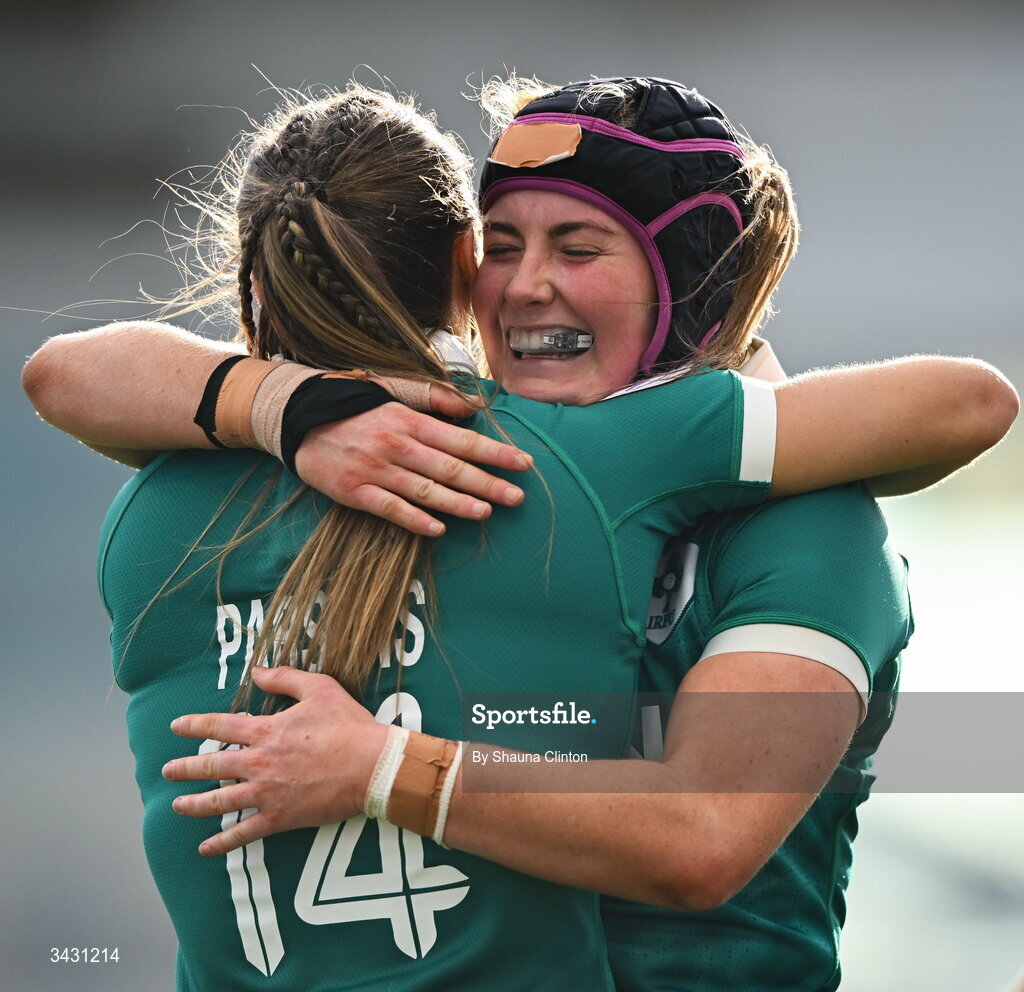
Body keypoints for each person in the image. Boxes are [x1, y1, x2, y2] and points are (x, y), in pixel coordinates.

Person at [23, 77, 1017, 992]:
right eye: (500, 246)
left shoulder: (806, 523)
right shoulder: (433, 453)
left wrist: (380, 765)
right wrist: (283, 404)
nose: (525, 286)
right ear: (461, 266)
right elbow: (72, 374)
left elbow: (702, 832)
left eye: (578, 249)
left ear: (686, 275)